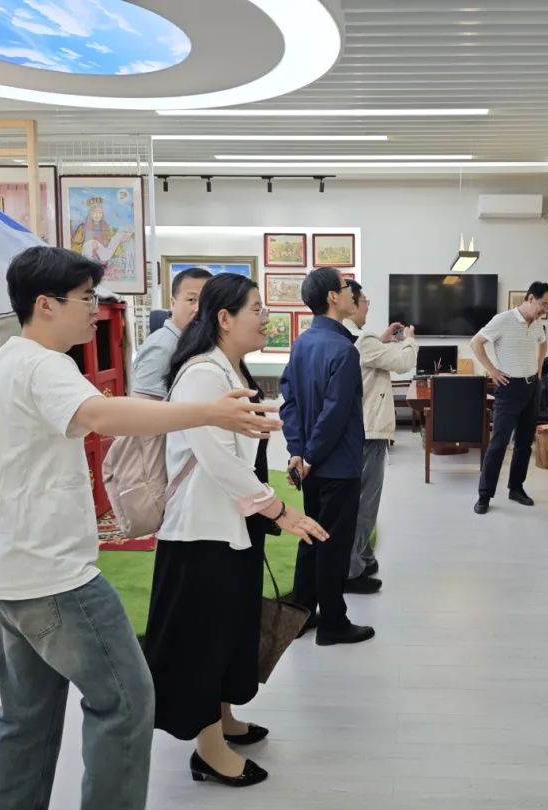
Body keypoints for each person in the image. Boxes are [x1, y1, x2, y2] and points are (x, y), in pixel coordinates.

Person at [0, 246, 280, 810]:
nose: (95, 310)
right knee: (127, 702)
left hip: (7, 576)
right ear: (46, 305)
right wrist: (208, 412)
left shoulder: (4, 363)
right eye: (86, 299)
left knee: (25, 719)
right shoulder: (44, 366)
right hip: (55, 578)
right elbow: (102, 416)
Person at [144, 274, 328, 789]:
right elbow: (219, 462)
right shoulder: (203, 374)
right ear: (224, 318)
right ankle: (209, 750)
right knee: (205, 640)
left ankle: (223, 719)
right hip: (201, 532)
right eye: (256, 308)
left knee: (229, 629)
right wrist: (280, 511)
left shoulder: (228, 368)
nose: (265, 317)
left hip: (231, 525)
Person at [280, 267, 374, 646]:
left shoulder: (302, 344)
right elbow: (335, 414)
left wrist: (298, 452)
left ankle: (301, 613)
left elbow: (289, 402)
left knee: (310, 537)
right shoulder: (344, 350)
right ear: (333, 297)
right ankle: (334, 623)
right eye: (345, 286)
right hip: (337, 465)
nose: (352, 291)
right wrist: (311, 455)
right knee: (333, 545)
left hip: (312, 465)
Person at [342, 280, 418, 593]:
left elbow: (375, 357)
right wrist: (409, 340)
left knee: (358, 499)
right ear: (351, 303)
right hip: (369, 430)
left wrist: (384, 339)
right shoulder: (363, 340)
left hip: (355, 429)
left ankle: (362, 556)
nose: (367, 307)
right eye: (365, 301)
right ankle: (352, 569)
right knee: (366, 501)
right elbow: (403, 363)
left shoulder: (352, 337)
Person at [472, 282, 548, 515]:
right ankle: (484, 495)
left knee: (524, 444)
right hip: (509, 388)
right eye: (543, 304)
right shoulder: (503, 320)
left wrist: (539, 367)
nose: (544, 310)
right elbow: (476, 342)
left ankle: (516, 488)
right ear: (530, 298)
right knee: (499, 443)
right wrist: (492, 370)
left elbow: (543, 343)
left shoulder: (537, 324)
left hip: (532, 387)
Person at [131, 267, 212, 399]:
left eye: (206, 302)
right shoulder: (161, 347)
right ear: (173, 303)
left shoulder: (190, 341)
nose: (199, 308)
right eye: (191, 300)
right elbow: (142, 406)